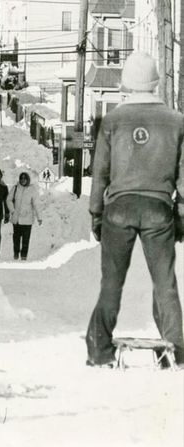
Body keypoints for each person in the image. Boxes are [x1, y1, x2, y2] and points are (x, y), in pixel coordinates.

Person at [86, 52, 184, 369]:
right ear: (155, 81)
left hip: (119, 208)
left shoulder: (112, 120)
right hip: (158, 207)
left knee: (112, 283)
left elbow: (99, 172)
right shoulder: (176, 121)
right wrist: (179, 214)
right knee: (165, 283)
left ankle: (99, 350)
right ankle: (177, 350)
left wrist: (96, 214)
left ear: (126, 81)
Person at [6, 172, 42, 260]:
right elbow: (8, 200)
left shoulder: (32, 189)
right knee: (16, 238)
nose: (23, 180)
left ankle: (24, 255)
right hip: (17, 218)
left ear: (28, 179)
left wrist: (39, 217)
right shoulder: (15, 188)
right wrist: (13, 211)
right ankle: (16, 253)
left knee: (26, 239)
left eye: (25, 178)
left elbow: (36, 204)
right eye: (21, 178)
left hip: (27, 219)